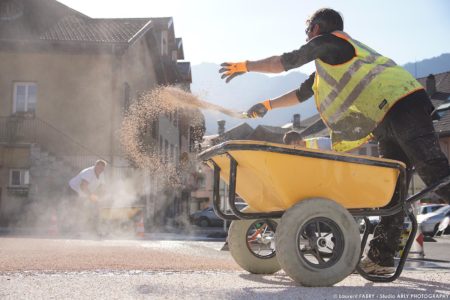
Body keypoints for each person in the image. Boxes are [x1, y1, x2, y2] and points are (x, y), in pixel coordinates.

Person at [219, 8, 450, 275]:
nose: (307, 36)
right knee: (392, 191)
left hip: (404, 104)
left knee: (435, 171)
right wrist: (267, 105)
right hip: (384, 119)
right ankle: (382, 258)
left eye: (308, 30)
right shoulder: (329, 64)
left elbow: (285, 61)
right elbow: (302, 93)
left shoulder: (333, 42)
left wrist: (245, 66)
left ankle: (383, 256)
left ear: (316, 28)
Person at [67, 159, 106, 236]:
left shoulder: (101, 173)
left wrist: (101, 198)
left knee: (95, 209)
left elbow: (102, 187)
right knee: (77, 210)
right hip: (73, 190)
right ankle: (72, 230)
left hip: (85, 192)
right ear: (95, 166)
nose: (100, 170)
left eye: (102, 169)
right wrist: (91, 196)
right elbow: (83, 186)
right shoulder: (88, 172)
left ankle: (95, 230)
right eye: (99, 168)